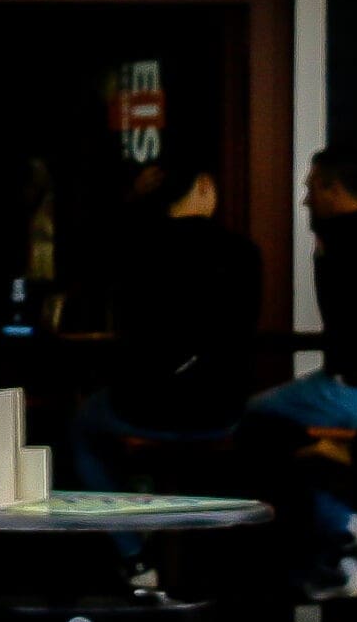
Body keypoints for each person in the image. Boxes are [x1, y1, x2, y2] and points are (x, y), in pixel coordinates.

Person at [234, 148, 357, 605]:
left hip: (350, 390)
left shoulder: (338, 240)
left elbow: (346, 325)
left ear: (335, 189)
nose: (305, 201)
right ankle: (334, 498)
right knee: (308, 447)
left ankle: (319, 546)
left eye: (311, 188)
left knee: (248, 419)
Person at [65, 167, 264, 492]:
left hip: (144, 408)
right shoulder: (243, 252)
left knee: (83, 422)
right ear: (203, 183)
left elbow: (92, 262)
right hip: (221, 410)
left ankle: (129, 538)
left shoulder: (136, 248)